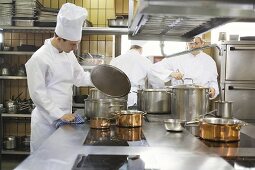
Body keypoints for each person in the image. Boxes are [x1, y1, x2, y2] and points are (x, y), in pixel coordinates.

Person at [25, 3, 93, 152]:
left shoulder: (69, 54)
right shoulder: (39, 58)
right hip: (45, 123)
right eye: (73, 44)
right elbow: (37, 94)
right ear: (60, 38)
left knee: (61, 161)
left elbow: (80, 77)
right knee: (44, 162)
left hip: (65, 119)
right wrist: (59, 114)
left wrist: (99, 79)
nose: (75, 48)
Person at [150, 37, 219, 99]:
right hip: (179, 98)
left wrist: (213, 90)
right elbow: (154, 68)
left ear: (202, 43)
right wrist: (171, 73)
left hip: (200, 99)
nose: (193, 46)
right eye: (191, 43)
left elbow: (213, 82)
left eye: (196, 43)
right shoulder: (177, 57)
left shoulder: (209, 61)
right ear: (187, 44)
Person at [110, 43, 152, 108]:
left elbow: (109, 78)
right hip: (136, 97)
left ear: (131, 47)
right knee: (133, 117)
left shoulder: (116, 59)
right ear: (141, 49)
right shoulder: (146, 61)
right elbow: (153, 80)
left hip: (117, 96)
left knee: (118, 116)